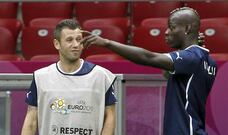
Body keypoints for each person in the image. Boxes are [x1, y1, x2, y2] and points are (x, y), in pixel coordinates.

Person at [81, 7, 217, 135]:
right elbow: (166, 73)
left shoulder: (190, 58)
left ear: (187, 28)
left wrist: (107, 43)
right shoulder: (208, 61)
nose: (166, 32)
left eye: (172, 27)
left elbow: (147, 57)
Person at [21, 19, 117, 135]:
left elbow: (110, 117)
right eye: (69, 40)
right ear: (57, 44)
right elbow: (31, 121)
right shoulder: (40, 77)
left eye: (79, 40)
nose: (76, 45)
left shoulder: (102, 76)